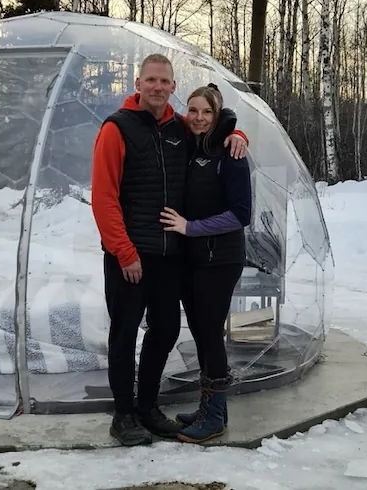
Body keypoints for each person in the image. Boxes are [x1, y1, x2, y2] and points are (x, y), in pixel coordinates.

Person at [90, 54, 248, 446]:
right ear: (139, 82)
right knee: (125, 334)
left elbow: (209, 125)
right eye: (151, 80)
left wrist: (238, 136)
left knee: (165, 329)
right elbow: (104, 198)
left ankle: (147, 406)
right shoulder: (116, 128)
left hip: (170, 256)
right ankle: (123, 414)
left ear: (172, 87)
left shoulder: (177, 126)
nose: (158, 87)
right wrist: (124, 252)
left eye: (165, 81)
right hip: (131, 256)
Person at [159, 83, 251, 444]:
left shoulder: (232, 153)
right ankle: (210, 406)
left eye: (207, 112)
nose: (198, 118)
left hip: (221, 259)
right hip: (195, 258)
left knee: (210, 333)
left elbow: (240, 213)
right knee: (201, 332)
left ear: (217, 115)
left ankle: (214, 417)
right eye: (193, 111)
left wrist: (189, 227)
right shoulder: (192, 145)